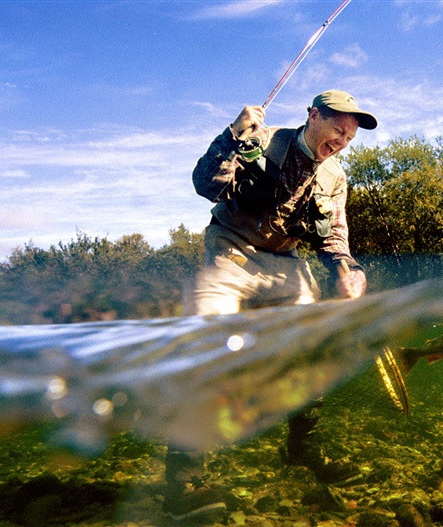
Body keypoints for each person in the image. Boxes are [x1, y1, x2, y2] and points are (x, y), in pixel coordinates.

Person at [161, 90, 377, 522]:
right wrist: (231, 135)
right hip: (231, 251)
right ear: (313, 116)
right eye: (338, 129)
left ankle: (301, 447)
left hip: (285, 262)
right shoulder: (262, 138)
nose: (342, 140)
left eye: (350, 137)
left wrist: (347, 270)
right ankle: (183, 479)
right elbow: (207, 186)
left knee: (308, 348)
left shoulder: (336, 176)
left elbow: (335, 238)